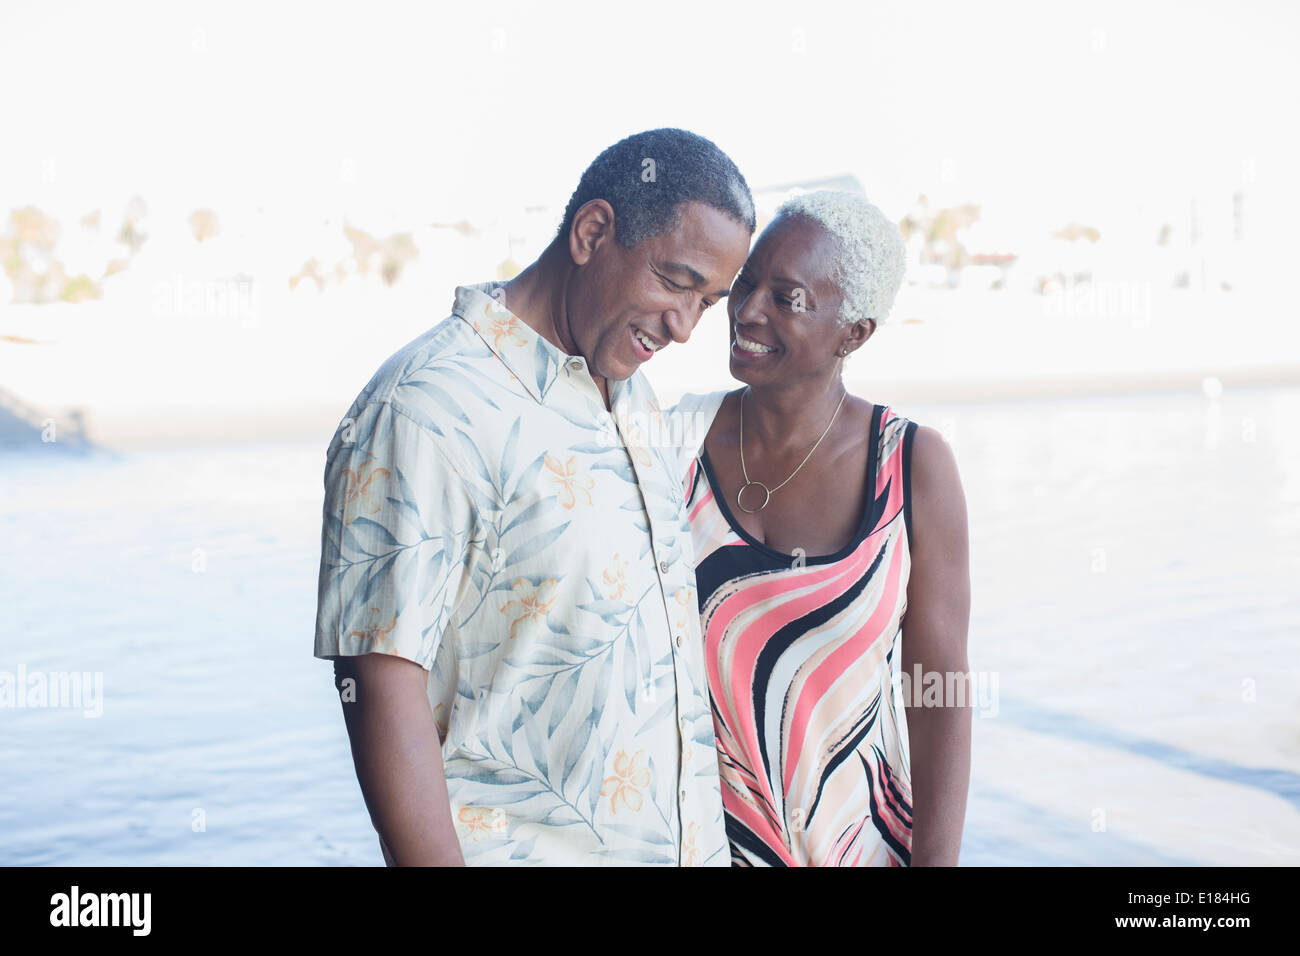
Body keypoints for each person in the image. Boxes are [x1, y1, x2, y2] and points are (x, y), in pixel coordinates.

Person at [313, 128, 754, 865]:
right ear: (592, 233)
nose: (685, 327)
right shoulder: (424, 408)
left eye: (708, 302)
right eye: (675, 282)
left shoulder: (635, 398)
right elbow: (380, 687)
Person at [666, 190, 971, 866]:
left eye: (787, 297)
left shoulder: (910, 466)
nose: (747, 311)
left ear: (853, 333)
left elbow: (939, 693)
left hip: (859, 848)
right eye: (746, 284)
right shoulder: (671, 444)